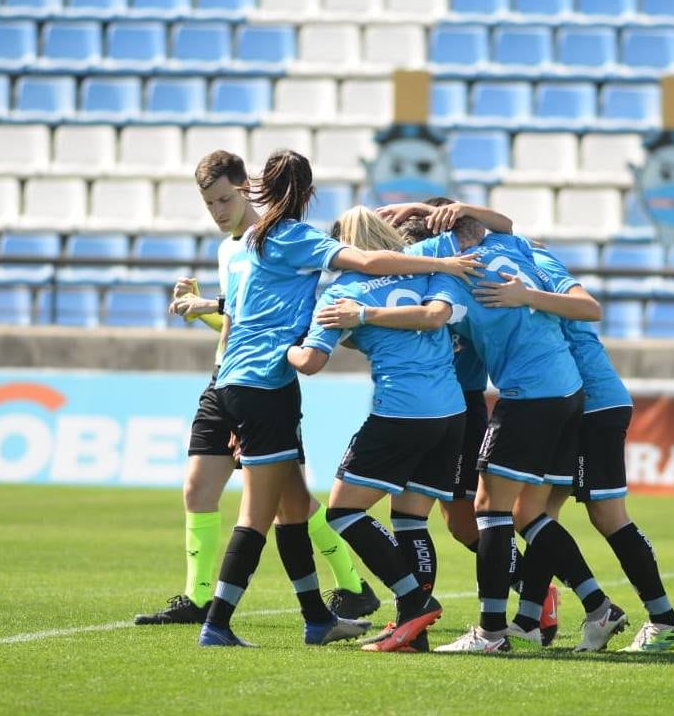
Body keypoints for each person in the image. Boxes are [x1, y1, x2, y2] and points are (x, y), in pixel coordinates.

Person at [198, 150, 482, 647]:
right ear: (308, 194)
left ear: (254, 187)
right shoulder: (300, 239)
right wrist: (438, 260)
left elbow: (248, 318)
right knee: (264, 513)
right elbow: (377, 264)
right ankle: (217, 624)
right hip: (272, 385)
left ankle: (317, 618)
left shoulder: (244, 246)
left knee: (293, 506)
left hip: (237, 381)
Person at [316, 207, 626, 653]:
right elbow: (503, 229)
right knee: (424, 517)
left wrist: (363, 316)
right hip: (470, 403)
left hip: (460, 406)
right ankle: (424, 613)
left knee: (471, 520)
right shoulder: (445, 272)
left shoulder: (442, 280)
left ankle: (534, 603)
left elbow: (432, 316)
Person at [133, 150, 379, 627]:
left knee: (290, 503)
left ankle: (349, 584)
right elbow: (236, 322)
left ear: (246, 187)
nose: (219, 211)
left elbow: (262, 318)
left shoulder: (277, 241)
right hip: (225, 377)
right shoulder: (230, 250)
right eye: (209, 204)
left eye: (224, 199)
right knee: (197, 489)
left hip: (263, 382)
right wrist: (198, 309)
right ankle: (200, 598)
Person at [472, 241, 674, 652]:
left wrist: (526, 295)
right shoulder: (514, 263)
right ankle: (530, 618)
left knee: (607, 516)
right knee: (534, 512)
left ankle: (661, 619)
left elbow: (589, 307)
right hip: (573, 403)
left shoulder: (538, 262)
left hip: (593, 402)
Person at [288, 205, 462, 652]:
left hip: (401, 412)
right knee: (409, 520)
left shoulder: (342, 294)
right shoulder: (427, 263)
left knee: (343, 512)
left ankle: (413, 601)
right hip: (452, 412)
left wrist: (278, 347)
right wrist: (427, 209)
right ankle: (412, 630)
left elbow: (310, 362)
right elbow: (482, 233)